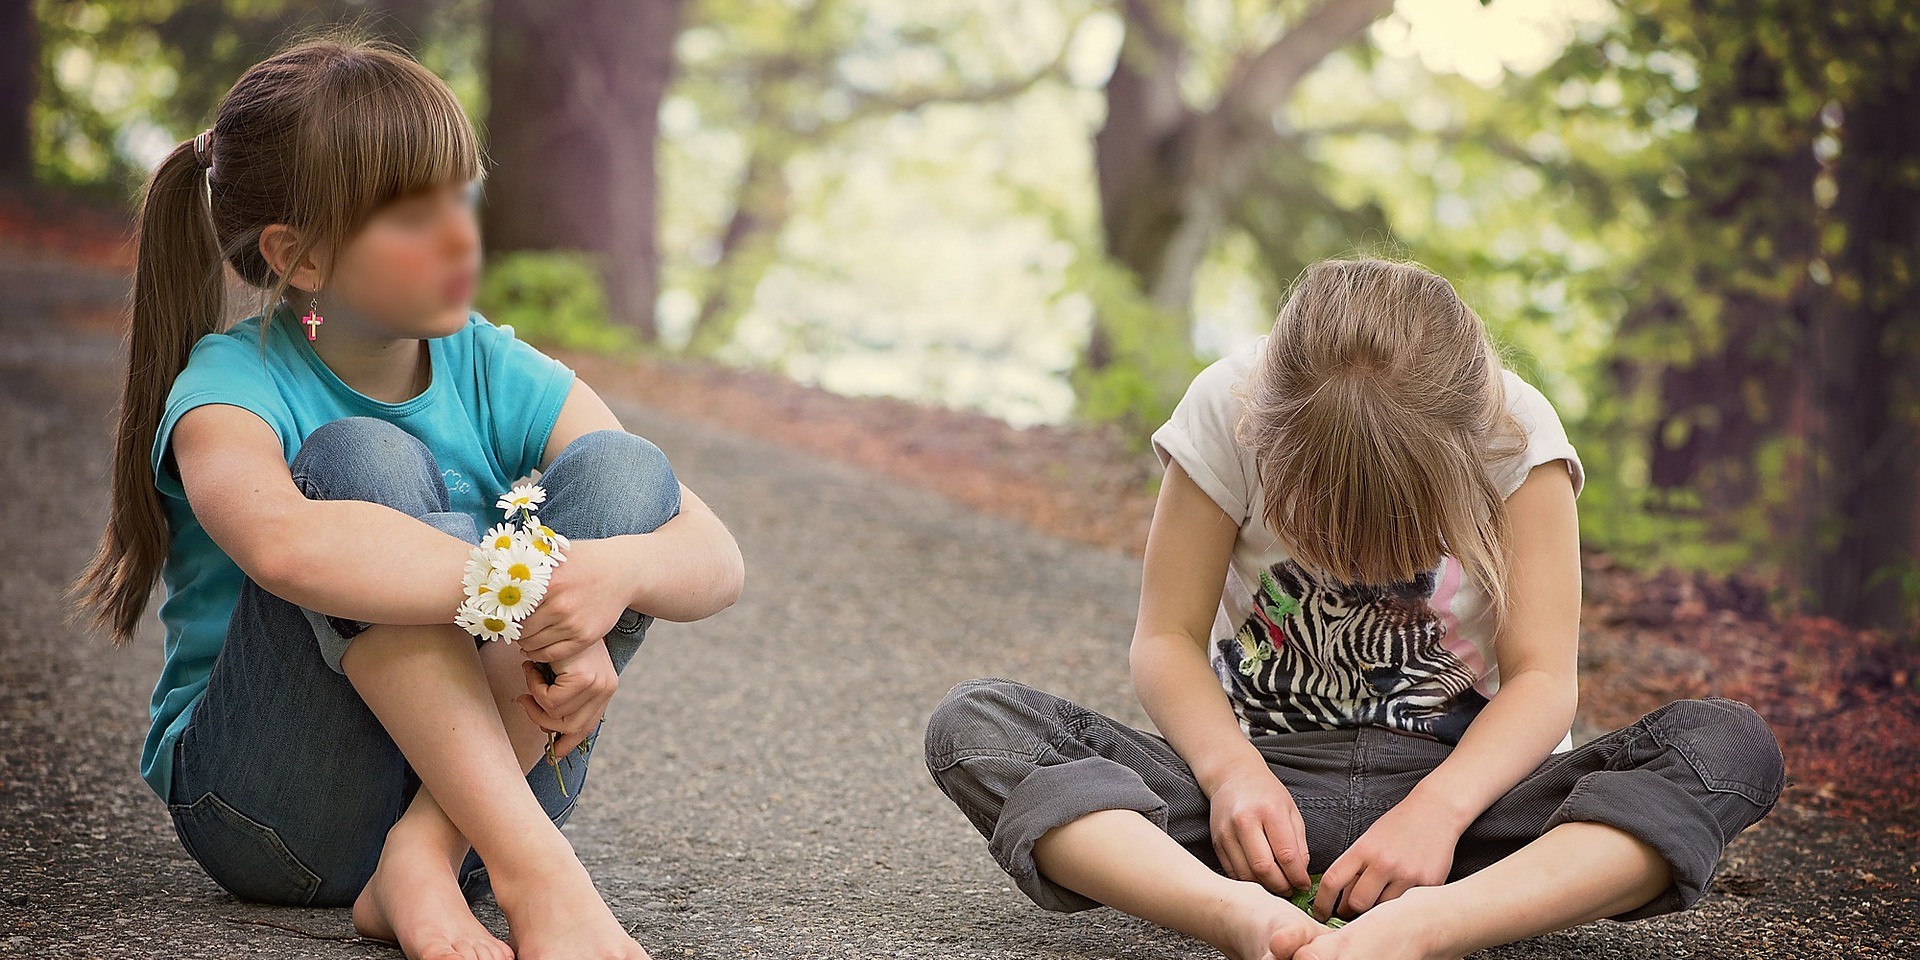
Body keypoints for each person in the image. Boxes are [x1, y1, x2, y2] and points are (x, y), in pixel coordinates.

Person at [65, 33, 744, 960]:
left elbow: (713, 556)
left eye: (462, 197)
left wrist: (610, 576)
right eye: (412, 217)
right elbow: (284, 548)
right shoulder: (230, 387)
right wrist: (521, 583)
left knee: (625, 473)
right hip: (279, 812)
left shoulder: (489, 361)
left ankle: (422, 862)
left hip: (474, 811)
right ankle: (540, 878)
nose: (461, 237)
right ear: (297, 257)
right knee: (361, 466)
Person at [923, 257, 1786, 960]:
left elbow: (1541, 680)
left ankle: (1429, 927)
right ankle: (1234, 917)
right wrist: (1229, 776)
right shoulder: (1228, 408)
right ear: (1268, 434)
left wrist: (1440, 814)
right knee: (977, 726)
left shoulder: (1517, 434)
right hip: (1258, 801)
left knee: (1729, 749)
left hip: (1475, 808)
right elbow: (1168, 639)